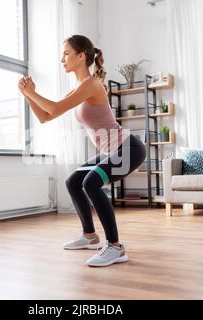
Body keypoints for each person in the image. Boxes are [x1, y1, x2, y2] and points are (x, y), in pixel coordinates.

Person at [18, 34, 146, 267]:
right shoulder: (79, 87)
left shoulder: (91, 84)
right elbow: (46, 117)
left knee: (91, 183)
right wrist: (28, 96)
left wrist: (31, 93)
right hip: (112, 150)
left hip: (129, 148)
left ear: (81, 55)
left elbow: (54, 109)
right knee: (73, 182)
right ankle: (89, 236)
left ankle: (116, 247)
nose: (62, 58)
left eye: (66, 53)